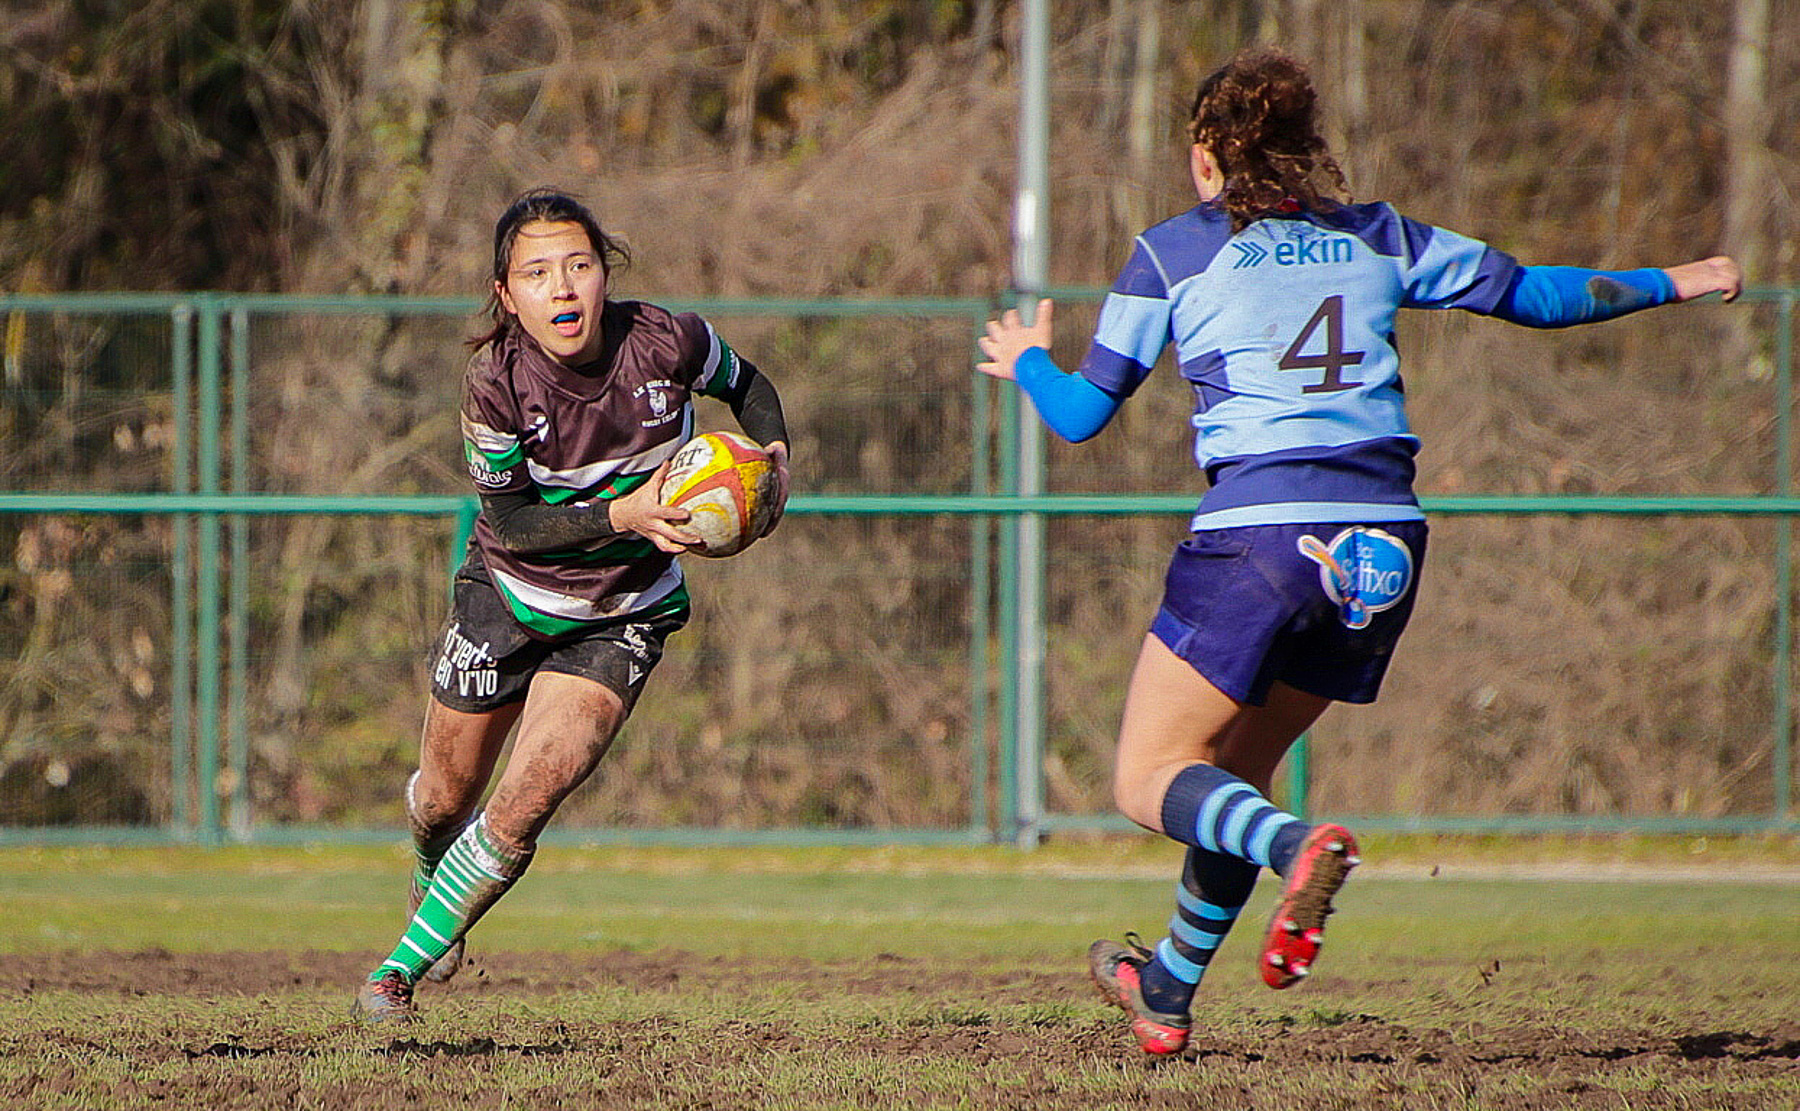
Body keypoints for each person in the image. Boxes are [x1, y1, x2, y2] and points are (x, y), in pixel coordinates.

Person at [977, 48, 1741, 1056]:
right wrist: (1677, 279)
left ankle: (1301, 847)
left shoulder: (1173, 252)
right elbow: (1539, 295)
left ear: (1208, 161)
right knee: (1231, 782)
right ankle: (1164, 991)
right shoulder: (1381, 236)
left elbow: (1080, 414)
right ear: (1304, 155)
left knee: (1149, 777)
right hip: (1385, 546)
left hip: (1261, 540)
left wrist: (1025, 357)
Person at [353, 188, 791, 1023]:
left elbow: (752, 384)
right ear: (506, 295)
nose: (563, 288)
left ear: (605, 274)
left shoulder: (669, 340)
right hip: (509, 595)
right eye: (539, 273)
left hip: (623, 612)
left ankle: (393, 976)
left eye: (579, 266)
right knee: (446, 797)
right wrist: (623, 514)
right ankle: (428, 869)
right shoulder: (495, 385)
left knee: (528, 796)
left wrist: (774, 458)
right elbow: (510, 523)